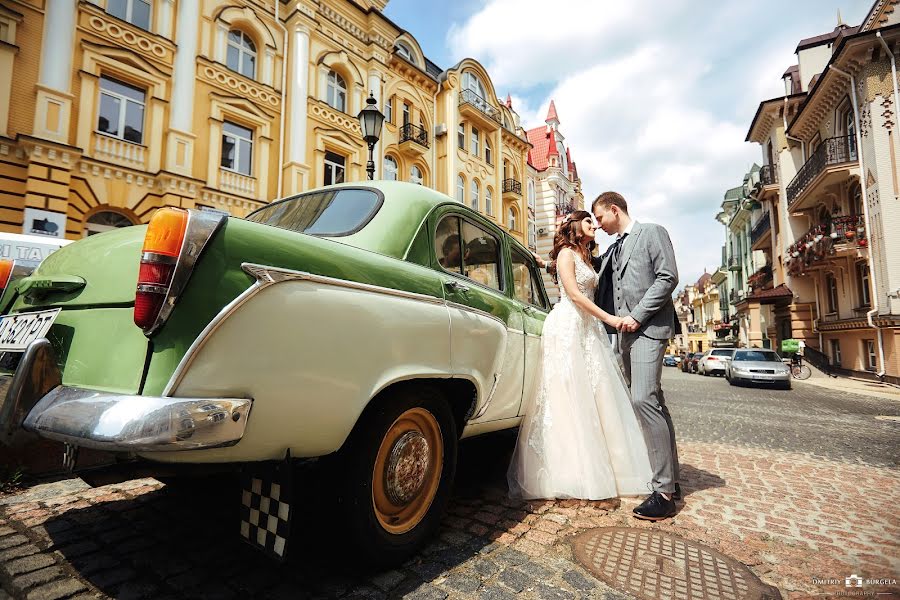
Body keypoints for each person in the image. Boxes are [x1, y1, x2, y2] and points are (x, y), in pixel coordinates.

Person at [508, 211, 653, 500]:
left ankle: (612, 469)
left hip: (588, 328)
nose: (595, 226)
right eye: (589, 222)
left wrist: (542, 263)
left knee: (598, 394)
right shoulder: (566, 254)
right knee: (568, 394)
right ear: (575, 226)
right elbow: (574, 294)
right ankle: (571, 474)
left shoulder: (585, 257)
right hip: (568, 325)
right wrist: (610, 319)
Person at [592, 191, 681, 521]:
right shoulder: (616, 247)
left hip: (647, 328)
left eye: (600, 218)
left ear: (614, 210)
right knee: (653, 400)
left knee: (643, 400)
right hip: (627, 335)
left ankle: (663, 493)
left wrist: (638, 315)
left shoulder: (651, 232)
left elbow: (668, 276)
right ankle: (671, 480)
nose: (599, 225)